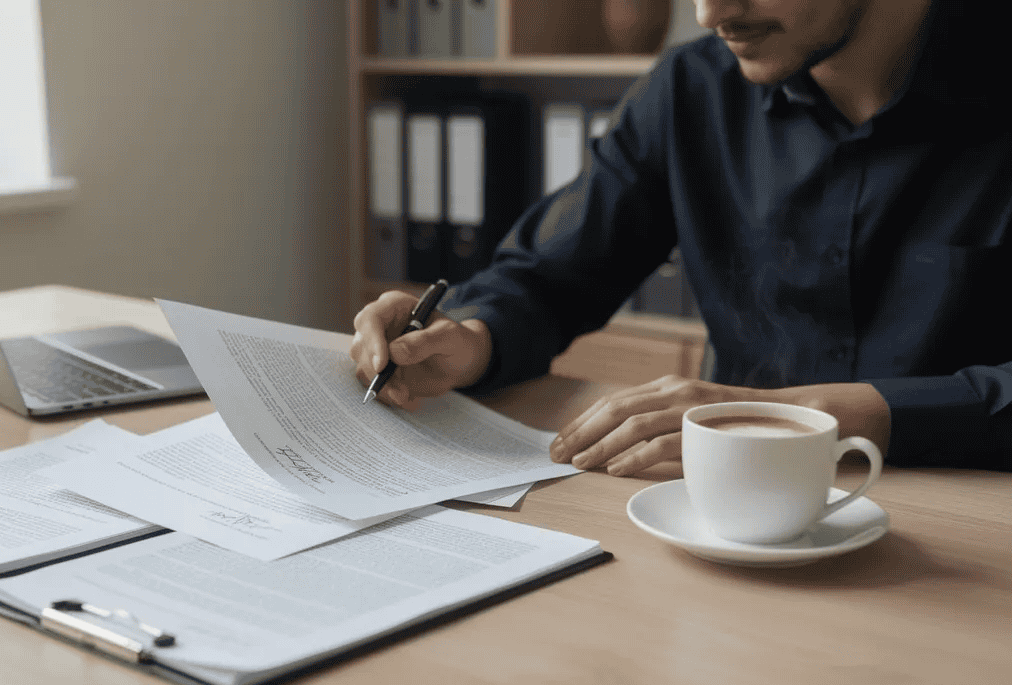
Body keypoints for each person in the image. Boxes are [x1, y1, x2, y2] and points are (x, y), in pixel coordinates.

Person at [350, 0, 1012, 473]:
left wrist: (818, 415)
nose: (708, 12)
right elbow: (552, 273)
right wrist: (472, 336)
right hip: (726, 513)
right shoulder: (691, 91)